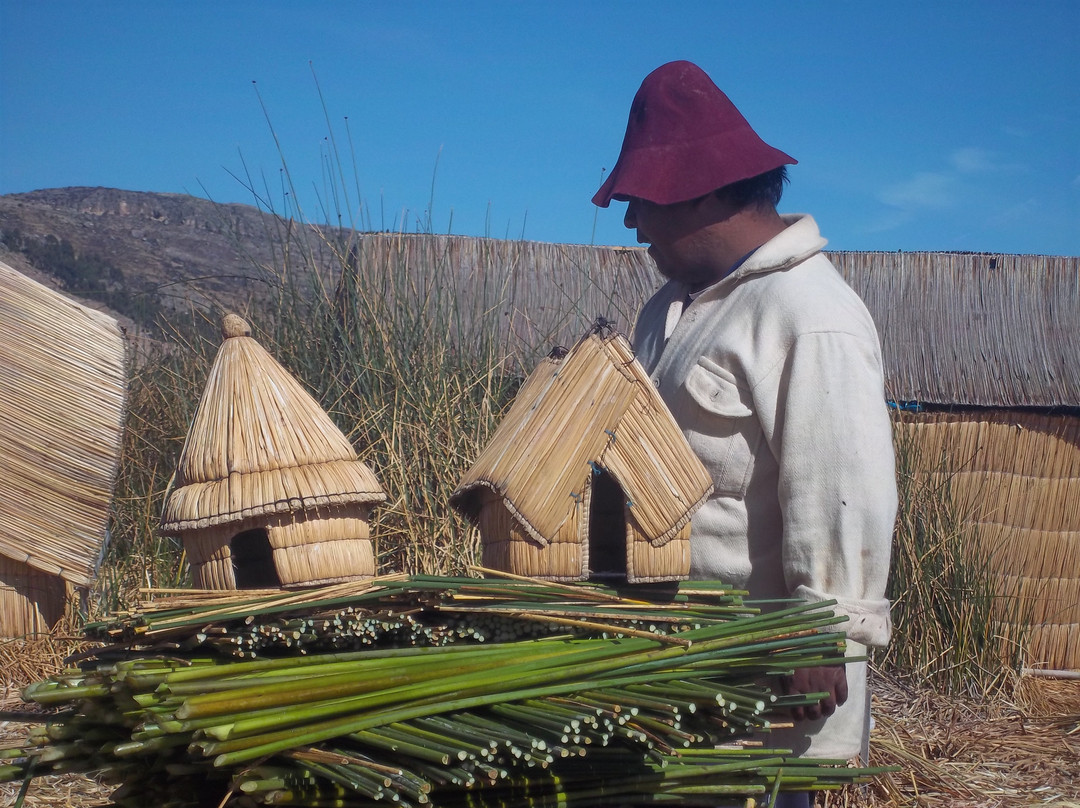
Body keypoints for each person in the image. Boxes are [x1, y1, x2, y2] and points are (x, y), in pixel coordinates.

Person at [592, 61, 897, 805]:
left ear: (701, 190)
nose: (631, 223)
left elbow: (839, 487)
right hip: (679, 667)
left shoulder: (807, 311)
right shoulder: (669, 311)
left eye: (642, 200)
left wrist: (822, 634)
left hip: (769, 677)